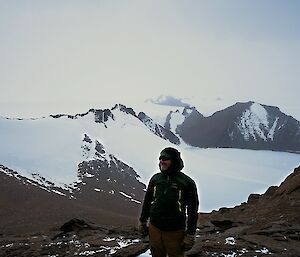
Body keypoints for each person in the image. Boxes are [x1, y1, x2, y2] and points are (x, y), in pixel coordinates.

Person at [139, 147, 199, 257]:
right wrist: (143, 221)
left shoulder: (186, 182)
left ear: (174, 161)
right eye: (160, 158)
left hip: (175, 231)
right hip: (154, 228)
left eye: (165, 158)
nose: (162, 161)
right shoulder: (156, 179)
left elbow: (192, 211)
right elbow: (147, 201)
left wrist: (190, 234)